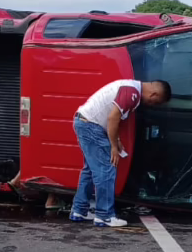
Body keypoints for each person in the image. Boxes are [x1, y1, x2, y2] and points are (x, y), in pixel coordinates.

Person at [70, 79, 171, 227]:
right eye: (156, 102)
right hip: (92, 126)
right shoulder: (132, 93)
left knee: (90, 170)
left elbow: (113, 119)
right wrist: (113, 146)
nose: (152, 105)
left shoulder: (130, 88)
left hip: (85, 122)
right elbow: (113, 118)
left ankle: (79, 210)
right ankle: (104, 215)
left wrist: (116, 140)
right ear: (154, 94)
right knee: (107, 169)